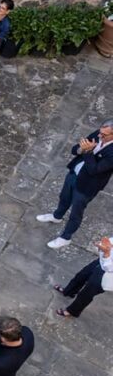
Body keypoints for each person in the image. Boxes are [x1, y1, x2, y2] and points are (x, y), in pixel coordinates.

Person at [36, 119, 113, 249]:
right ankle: (57, 216)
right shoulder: (99, 134)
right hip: (74, 174)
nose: (99, 136)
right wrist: (80, 149)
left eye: (104, 135)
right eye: (100, 132)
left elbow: (94, 170)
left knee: (76, 213)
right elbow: (75, 150)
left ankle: (65, 238)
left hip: (88, 186)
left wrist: (88, 152)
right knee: (64, 198)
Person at [54, 235, 112, 318]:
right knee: (81, 276)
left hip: (107, 276)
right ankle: (69, 291)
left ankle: (72, 311)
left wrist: (106, 253)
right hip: (101, 262)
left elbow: (109, 268)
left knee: (86, 294)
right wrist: (101, 247)